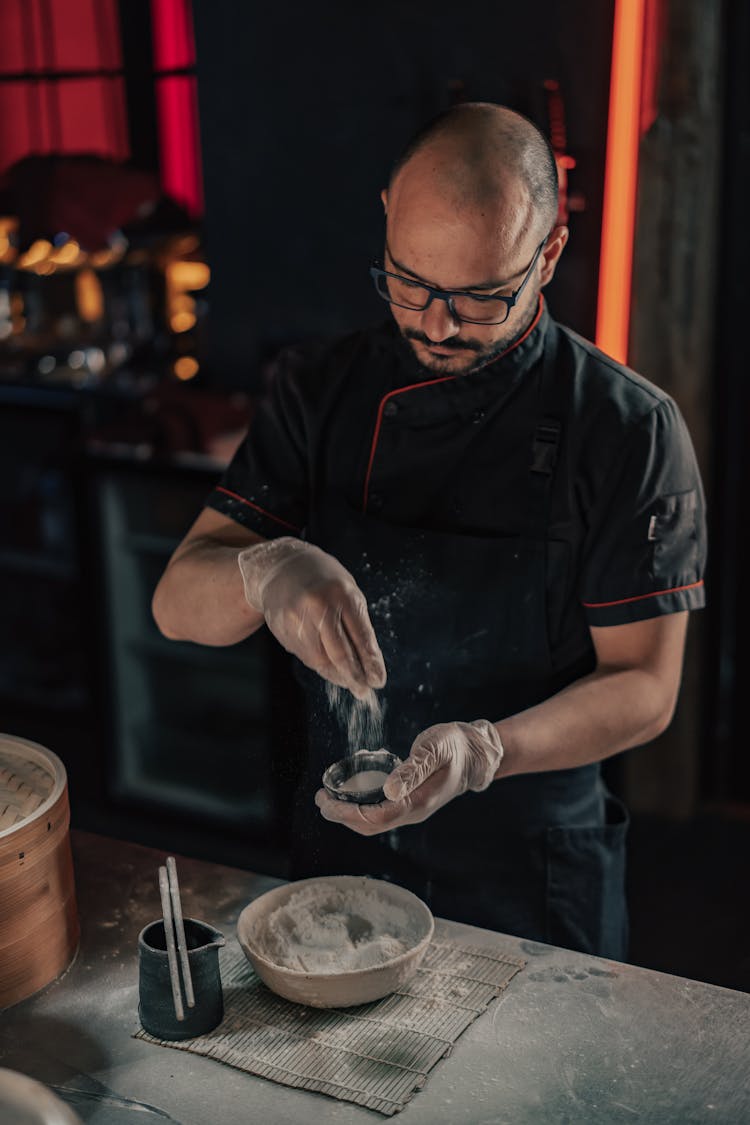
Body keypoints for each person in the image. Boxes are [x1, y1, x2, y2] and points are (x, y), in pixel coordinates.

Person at [152, 103, 706, 960]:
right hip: (343, 857)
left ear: (548, 255)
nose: (436, 324)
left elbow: (646, 686)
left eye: (479, 298)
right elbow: (175, 604)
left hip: (532, 876)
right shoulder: (319, 391)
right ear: (385, 217)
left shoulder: (626, 429)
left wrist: (488, 748)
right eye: (408, 283)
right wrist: (266, 567)